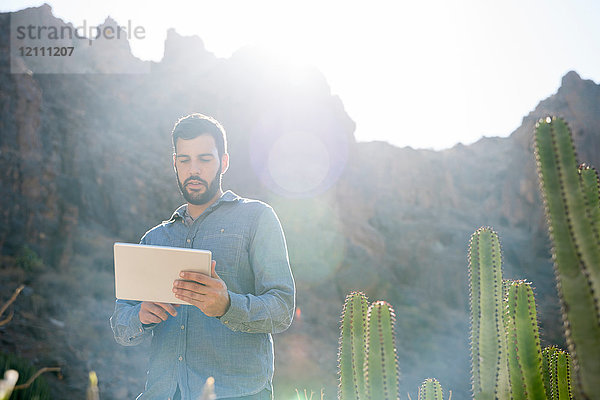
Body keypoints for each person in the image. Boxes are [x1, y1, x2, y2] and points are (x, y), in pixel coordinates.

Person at [110, 113, 296, 400]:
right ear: (175, 163)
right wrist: (140, 315)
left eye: (204, 159)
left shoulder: (257, 218)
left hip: (237, 394)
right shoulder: (155, 239)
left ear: (223, 162)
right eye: (184, 160)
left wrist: (227, 305)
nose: (193, 169)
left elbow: (283, 309)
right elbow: (121, 326)